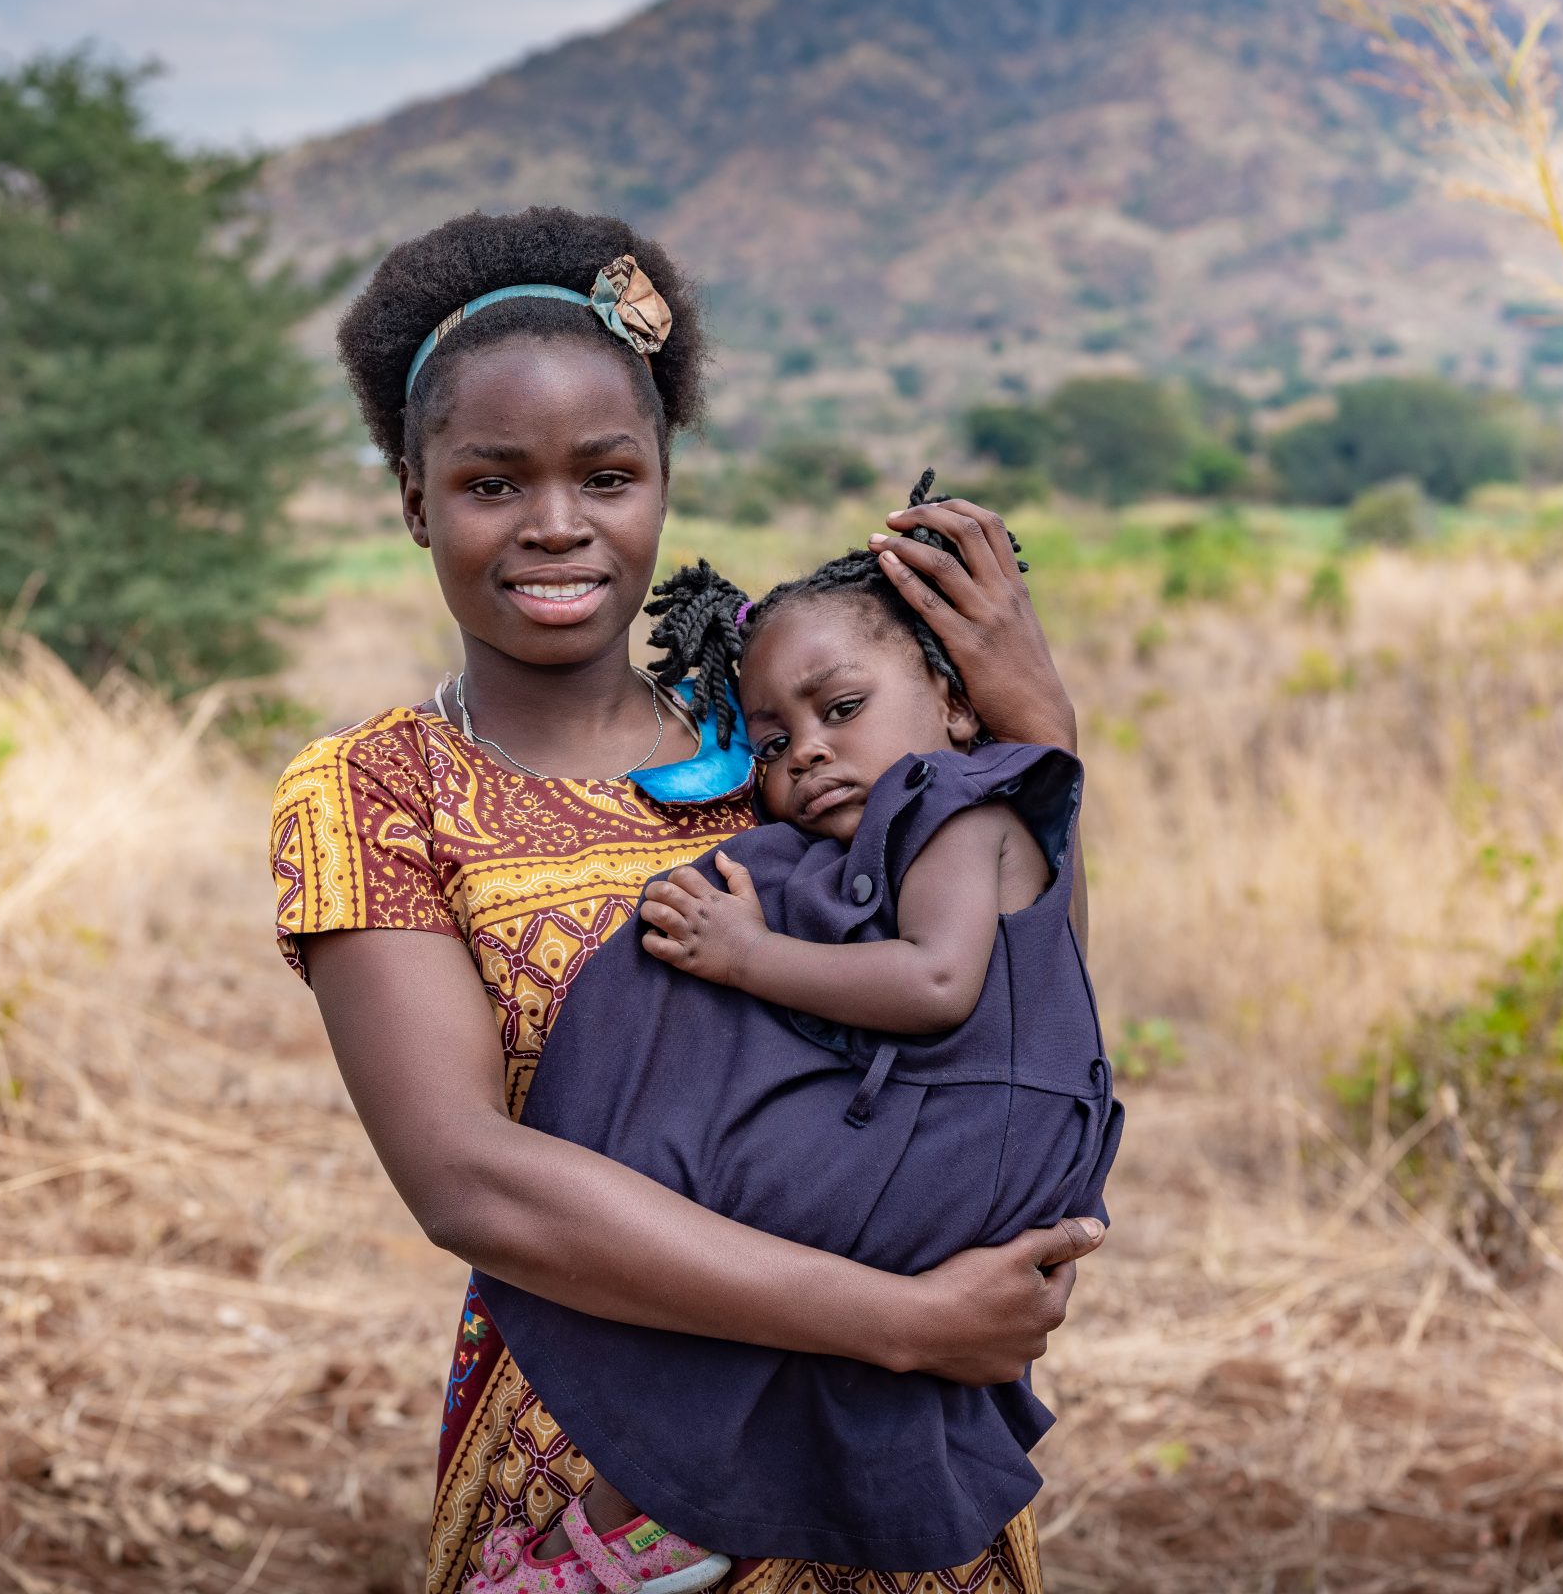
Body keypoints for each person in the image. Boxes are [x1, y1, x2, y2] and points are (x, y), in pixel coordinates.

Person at [268, 206, 1101, 1594]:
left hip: (901, 1472)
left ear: (662, 480)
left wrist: (1040, 733)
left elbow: (1014, 1008)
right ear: (414, 498)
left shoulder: (788, 746)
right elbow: (470, 1182)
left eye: (607, 475)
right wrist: (898, 1320)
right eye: (492, 484)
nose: (557, 527)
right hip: (601, 1492)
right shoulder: (380, 791)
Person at [473, 495, 1119, 1590]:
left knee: (728, 1210)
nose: (808, 754)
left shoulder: (962, 806)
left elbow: (936, 984)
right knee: (728, 1228)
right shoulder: (888, 828)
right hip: (967, 1127)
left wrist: (745, 958)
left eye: (845, 708)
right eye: (772, 742)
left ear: (958, 709)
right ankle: (659, 1519)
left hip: (976, 1130)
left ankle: (638, 1525)